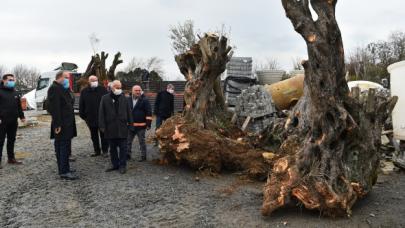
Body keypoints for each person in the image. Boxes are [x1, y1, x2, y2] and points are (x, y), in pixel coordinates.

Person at [47, 71, 78, 180]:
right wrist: (57, 125)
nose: (68, 80)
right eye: (66, 77)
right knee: (62, 147)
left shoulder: (62, 88)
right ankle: (64, 171)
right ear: (60, 77)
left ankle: (64, 168)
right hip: (61, 124)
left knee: (63, 146)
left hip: (66, 123)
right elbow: (54, 108)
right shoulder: (54, 88)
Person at [99, 80, 133, 174]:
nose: (119, 89)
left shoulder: (125, 98)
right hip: (110, 128)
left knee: (123, 148)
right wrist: (102, 126)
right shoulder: (105, 98)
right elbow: (101, 112)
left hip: (122, 127)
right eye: (117, 87)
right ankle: (115, 164)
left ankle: (122, 165)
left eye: (120, 87)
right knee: (112, 148)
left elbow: (129, 112)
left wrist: (131, 124)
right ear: (112, 87)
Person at [0, 74, 25, 169]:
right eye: (10, 80)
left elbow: (19, 106)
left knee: (11, 140)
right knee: (0, 141)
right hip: (2, 121)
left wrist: (22, 116)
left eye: (13, 80)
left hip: (13, 121)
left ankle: (11, 158)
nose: (12, 82)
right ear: (4, 80)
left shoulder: (15, 92)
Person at [79, 75, 109, 157]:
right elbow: (81, 105)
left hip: (102, 117)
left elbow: (108, 103)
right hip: (90, 118)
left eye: (95, 80)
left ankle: (105, 150)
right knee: (94, 136)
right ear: (88, 81)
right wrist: (84, 117)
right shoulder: (84, 91)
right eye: (92, 80)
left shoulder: (103, 90)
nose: (94, 82)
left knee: (104, 135)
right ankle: (97, 151)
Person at [127, 85, 152, 162]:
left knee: (142, 141)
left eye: (139, 90)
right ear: (132, 91)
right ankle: (127, 155)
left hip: (141, 126)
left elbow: (149, 112)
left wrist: (148, 124)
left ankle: (143, 156)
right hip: (130, 125)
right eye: (136, 90)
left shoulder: (145, 100)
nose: (138, 92)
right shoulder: (127, 99)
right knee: (128, 141)